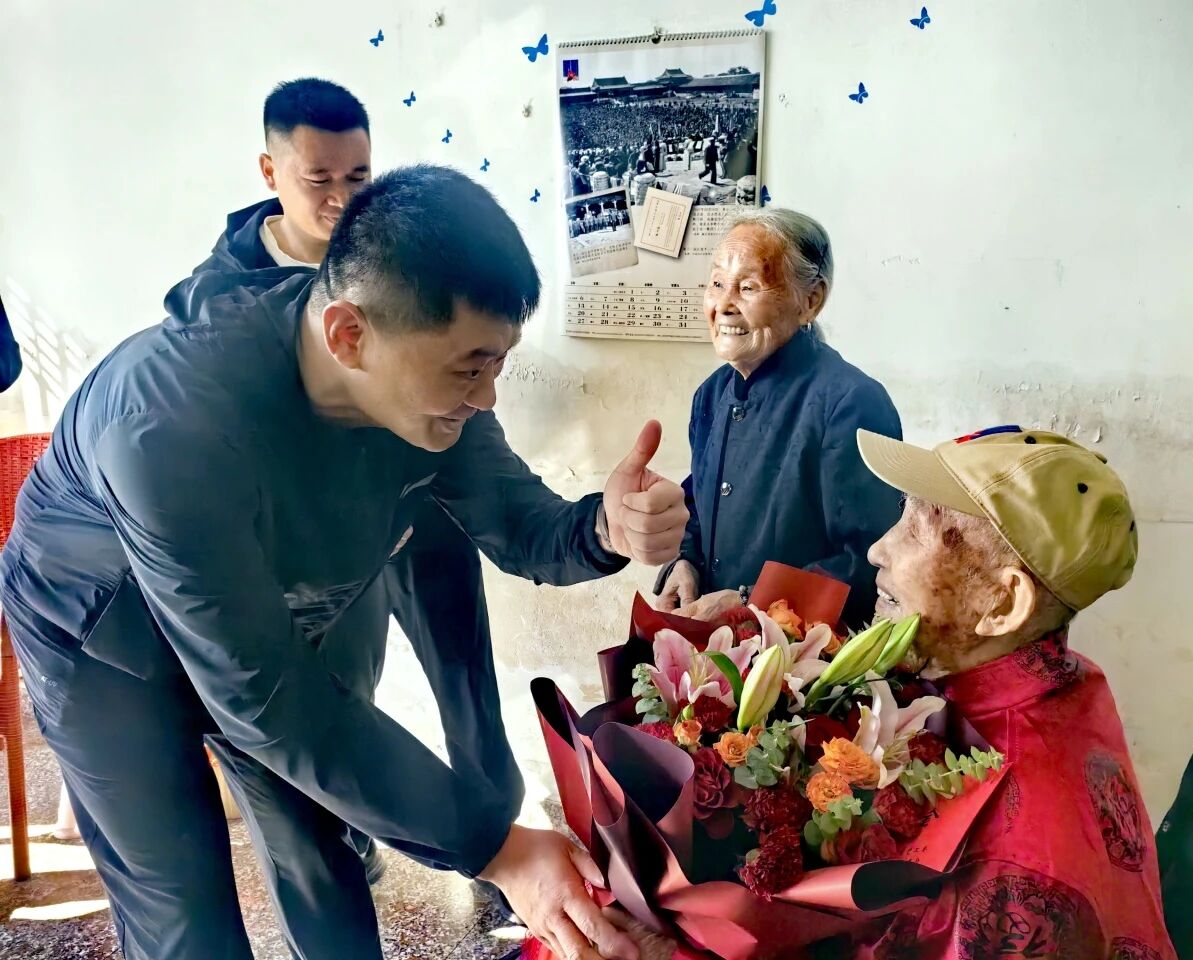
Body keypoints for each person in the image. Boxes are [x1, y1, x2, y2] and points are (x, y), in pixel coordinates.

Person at [0, 164, 689, 960]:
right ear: (348, 335)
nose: (488, 398)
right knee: (183, 907)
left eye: (498, 364)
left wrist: (606, 525)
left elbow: (517, 523)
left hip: (260, 616)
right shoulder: (170, 424)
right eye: (470, 368)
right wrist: (498, 850)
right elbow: (265, 700)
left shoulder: (435, 399)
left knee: (322, 848)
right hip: (101, 633)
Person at [191, 77, 536, 953]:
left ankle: (498, 858)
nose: (342, 198)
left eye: (359, 175)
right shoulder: (218, 305)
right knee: (324, 716)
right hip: (312, 558)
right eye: (320, 179)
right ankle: (357, 843)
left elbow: (490, 461)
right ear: (270, 171)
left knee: (468, 697)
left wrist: (593, 527)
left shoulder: (406, 268)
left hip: (421, 521)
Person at [845, 424, 1176, 957]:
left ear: (1001, 604)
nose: (878, 550)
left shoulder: (1014, 881)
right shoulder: (1066, 678)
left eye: (918, 530)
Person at [654, 210, 901, 626]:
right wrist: (683, 562)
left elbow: (870, 561)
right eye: (717, 284)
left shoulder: (852, 403)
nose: (724, 305)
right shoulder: (711, 395)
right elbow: (697, 503)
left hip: (807, 655)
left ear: (810, 301)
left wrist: (750, 603)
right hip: (717, 645)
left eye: (748, 287)